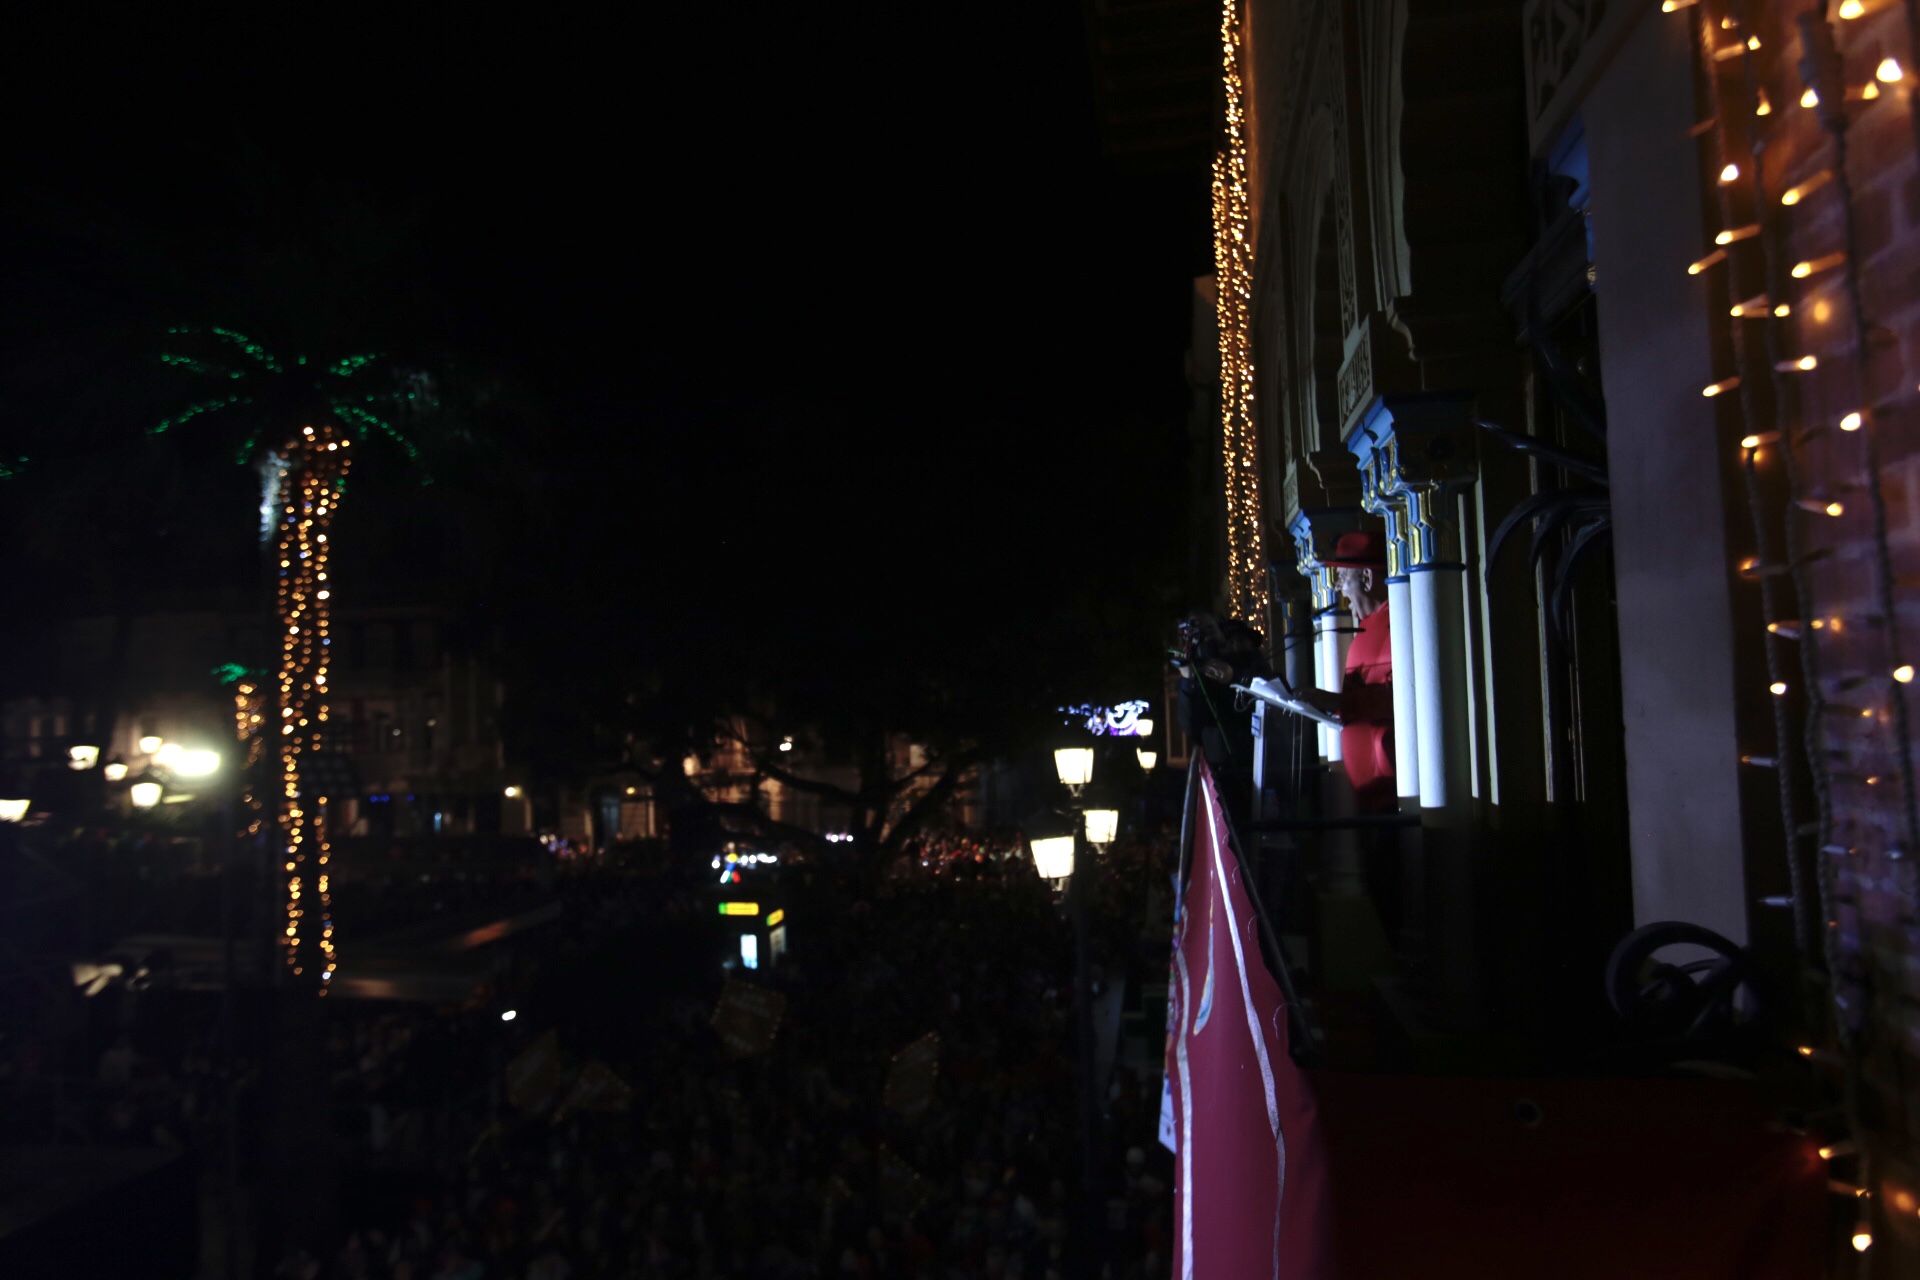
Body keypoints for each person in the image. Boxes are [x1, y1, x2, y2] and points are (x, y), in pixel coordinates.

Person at [1297, 529, 1396, 811]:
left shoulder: (1397, 623)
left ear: (1366, 578)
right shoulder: (1365, 628)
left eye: (1342, 577)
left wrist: (1335, 702)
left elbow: (1402, 698)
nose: (1338, 587)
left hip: (1395, 796)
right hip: (1367, 794)